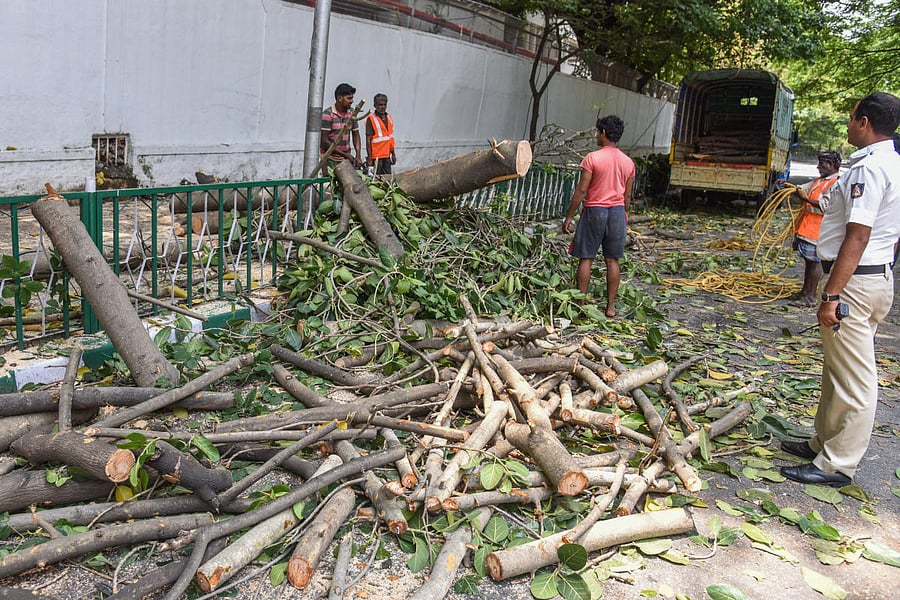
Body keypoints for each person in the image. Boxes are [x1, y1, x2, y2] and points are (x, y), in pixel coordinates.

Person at [780, 92, 900, 486]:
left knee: (855, 379)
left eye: (851, 119)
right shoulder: (891, 163)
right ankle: (823, 443)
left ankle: (836, 464)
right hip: (871, 276)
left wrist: (832, 293)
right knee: (837, 369)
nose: (848, 126)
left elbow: (859, 234)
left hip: (855, 280)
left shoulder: (869, 168)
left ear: (864, 122)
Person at [562, 115, 635, 318]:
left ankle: (581, 305)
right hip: (617, 212)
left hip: (595, 211)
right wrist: (625, 214)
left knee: (587, 258)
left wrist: (569, 216)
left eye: (597, 132)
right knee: (613, 260)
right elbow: (627, 195)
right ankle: (611, 307)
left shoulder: (592, 158)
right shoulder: (628, 163)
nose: (596, 135)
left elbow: (581, 191)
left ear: (603, 133)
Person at [787, 151, 841, 307]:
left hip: (820, 230)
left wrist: (804, 199)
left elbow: (825, 205)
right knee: (809, 262)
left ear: (831, 165)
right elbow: (803, 188)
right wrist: (793, 189)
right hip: (808, 228)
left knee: (815, 263)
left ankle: (810, 297)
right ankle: (805, 292)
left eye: (822, 164)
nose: (818, 167)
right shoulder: (820, 180)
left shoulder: (835, 183)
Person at [321, 83, 361, 170]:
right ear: (339, 98)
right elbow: (324, 141)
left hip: (346, 159)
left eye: (352, 98)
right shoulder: (328, 114)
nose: (352, 101)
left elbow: (356, 134)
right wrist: (344, 154)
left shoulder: (352, 113)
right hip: (330, 159)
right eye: (349, 98)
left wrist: (358, 155)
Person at [365, 93, 396, 176]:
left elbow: (390, 138)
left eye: (384, 105)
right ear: (375, 105)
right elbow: (368, 139)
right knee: (376, 178)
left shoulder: (389, 117)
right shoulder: (371, 119)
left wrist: (393, 153)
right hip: (376, 156)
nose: (382, 107)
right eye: (380, 105)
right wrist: (370, 158)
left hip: (386, 155)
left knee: (387, 178)